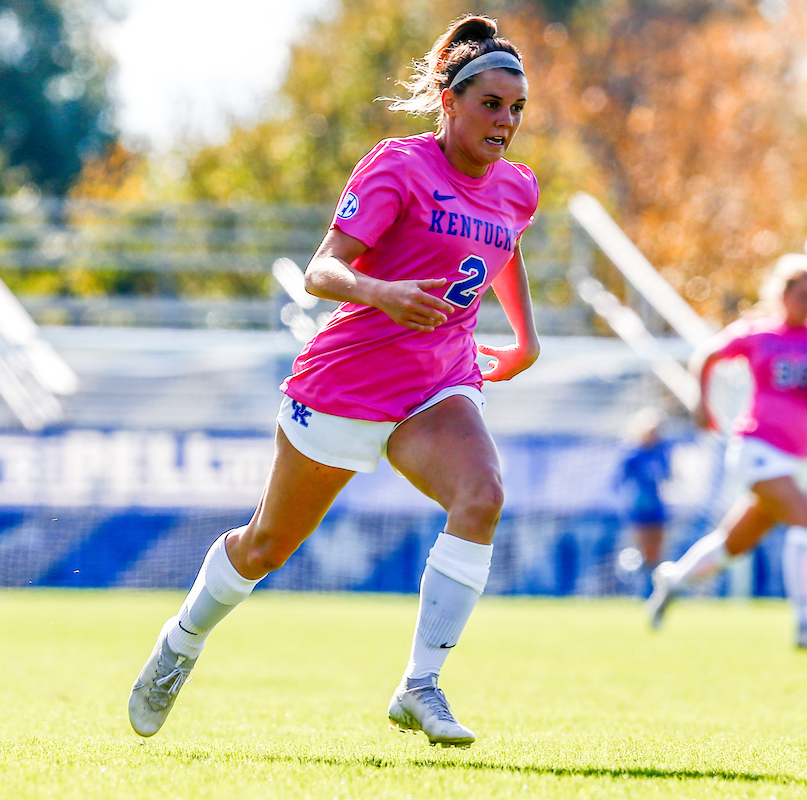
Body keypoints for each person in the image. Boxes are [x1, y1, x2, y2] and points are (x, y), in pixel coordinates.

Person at [127, 15, 539, 748]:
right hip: (347, 385)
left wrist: (526, 338)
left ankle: (420, 685)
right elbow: (323, 269)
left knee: (483, 497)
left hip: (437, 382)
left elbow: (504, 245)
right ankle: (182, 641)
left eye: (516, 108)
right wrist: (383, 292)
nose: (505, 121)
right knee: (265, 548)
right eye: (490, 104)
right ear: (449, 102)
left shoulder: (517, 187)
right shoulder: (398, 166)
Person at [645, 254, 807, 649]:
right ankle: (805, 625)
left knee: (733, 545)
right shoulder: (758, 333)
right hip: (758, 448)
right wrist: (702, 405)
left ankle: (673, 579)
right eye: (803, 294)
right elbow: (707, 354)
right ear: (783, 294)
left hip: (801, 460)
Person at [615, 407, 672, 594]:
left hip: (656, 507)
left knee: (657, 552)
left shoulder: (661, 452)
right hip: (639, 508)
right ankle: (637, 587)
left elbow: (666, 476)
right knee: (643, 549)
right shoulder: (632, 455)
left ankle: (654, 589)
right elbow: (619, 482)